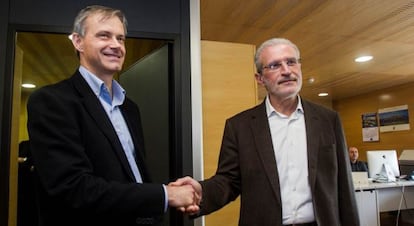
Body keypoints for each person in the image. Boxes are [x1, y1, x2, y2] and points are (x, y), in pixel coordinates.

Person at [27, 5, 198, 226]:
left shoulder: (130, 108)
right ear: (78, 42)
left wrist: (163, 194)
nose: (116, 45)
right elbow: (73, 188)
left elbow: (132, 178)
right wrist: (165, 195)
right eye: (104, 36)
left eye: (121, 38)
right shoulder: (52, 101)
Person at [173, 38, 360, 225]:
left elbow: (344, 185)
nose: (286, 71)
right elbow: (229, 181)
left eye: (291, 62)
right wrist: (200, 193)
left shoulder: (328, 119)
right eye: (275, 65)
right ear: (260, 79)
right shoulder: (239, 126)